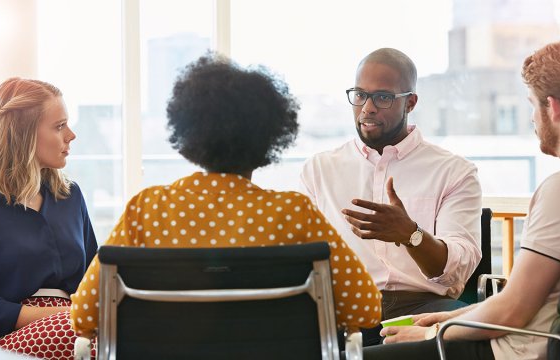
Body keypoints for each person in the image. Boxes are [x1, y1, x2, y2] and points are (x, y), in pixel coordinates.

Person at [70, 53, 382, 340]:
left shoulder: (148, 209)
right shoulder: (293, 213)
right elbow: (366, 309)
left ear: (188, 132)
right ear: (269, 138)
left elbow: (84, 314)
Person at [365, 38, 560, 359]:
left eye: (532, 104)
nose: (532, 119)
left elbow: (512, 311)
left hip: (515, 349)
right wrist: (450, 317)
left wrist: (434, 331)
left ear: (552, 108)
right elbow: (522, 299)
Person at [299, 48, 482, 345]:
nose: (367, 108)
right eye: (359, 95)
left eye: (382, 97)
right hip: (343, 308)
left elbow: (456, 274)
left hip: (421, 307)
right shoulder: (319, 169)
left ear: (410, 102)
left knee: (462, 339)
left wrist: (411, 235)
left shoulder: (454, 171)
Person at [0, 78, 98, 360]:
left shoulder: (71, 196)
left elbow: (94, 279)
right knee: (82, 333)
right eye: (59, 126)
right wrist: (67, 315)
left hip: (76, 326)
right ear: (23, 134)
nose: (71, 135)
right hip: (10, 338)